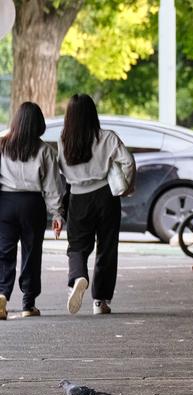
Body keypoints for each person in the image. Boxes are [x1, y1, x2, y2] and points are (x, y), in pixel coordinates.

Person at [58, 94, 135, 315]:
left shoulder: (64, 141)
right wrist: (126, 186)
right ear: (93, 113)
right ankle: (100, 301)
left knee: (77, 246)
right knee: (107, 247)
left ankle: (78, 277)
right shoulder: (107, 137)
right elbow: (128, 162)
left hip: (78, 197)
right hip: (105, 195)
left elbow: (61, 170)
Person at [0, 102, 64, 319]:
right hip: (32, 204)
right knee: (31, 253)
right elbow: (53, 186)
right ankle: (28, 304)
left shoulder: (1, 145)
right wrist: (57, 213)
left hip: (6, 204)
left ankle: (2, 294)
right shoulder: (45, 150)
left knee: (4, 253)